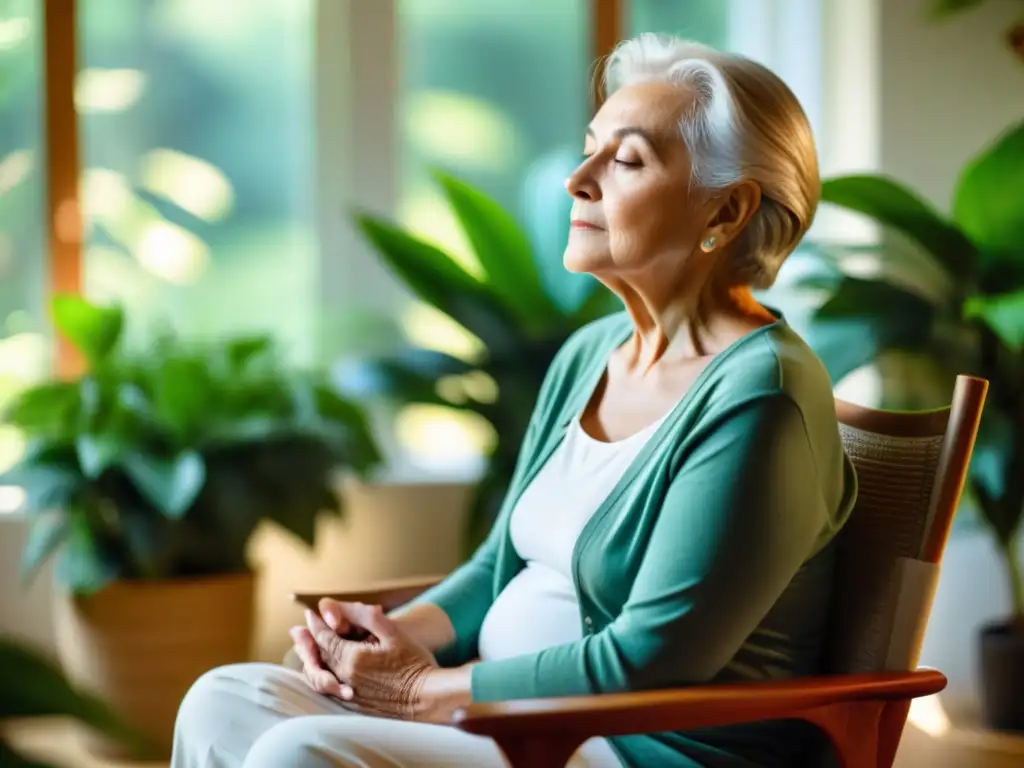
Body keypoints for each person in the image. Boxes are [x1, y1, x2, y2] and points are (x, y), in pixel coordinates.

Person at [171, 32, 857, 768]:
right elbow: (503, 562)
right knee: (222, 699)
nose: (578, 179)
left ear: (725, 213)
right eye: (590, 148)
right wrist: (385, 640)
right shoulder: (591, 355)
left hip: (632, 748)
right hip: (501, 719)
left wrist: (421, 692)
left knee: (297, 753)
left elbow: (650, 659)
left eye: (625, 161)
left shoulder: (761, 398)